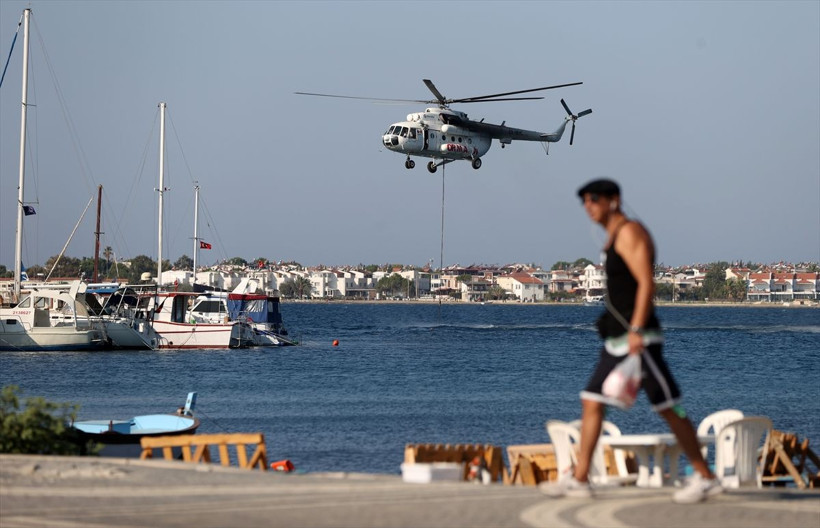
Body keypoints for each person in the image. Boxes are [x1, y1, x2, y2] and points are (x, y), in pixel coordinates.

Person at [542, 178, 722, 504]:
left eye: (594, 199)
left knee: (669, 407)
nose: (588, 207)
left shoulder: (629, 232)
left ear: (613, 200)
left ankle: (706, 476)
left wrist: (637, 330)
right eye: (584, 201)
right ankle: (580, 480)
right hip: (616, 339)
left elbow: (646, 283)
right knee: (591, 400)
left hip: (639, 338)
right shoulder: (613, 236)